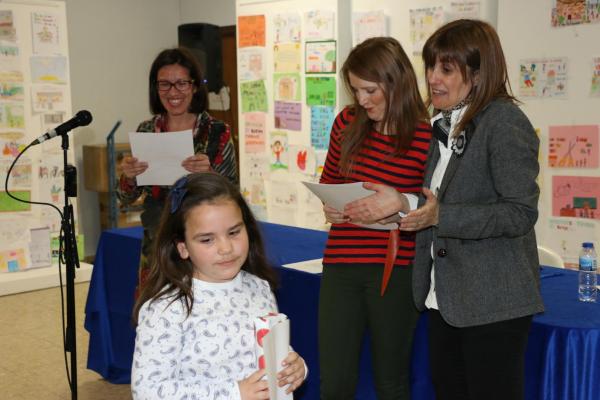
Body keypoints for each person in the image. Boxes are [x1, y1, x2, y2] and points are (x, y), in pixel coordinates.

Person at [347, 20, 544, 400]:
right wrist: (403, 204)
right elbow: (437, 199)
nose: (433, 78)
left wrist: (440, 216)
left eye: (446, 69)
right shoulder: (443, 124)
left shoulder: (503, 122)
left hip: (493, 304)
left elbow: (519, 213)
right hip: (445, 299)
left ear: (478, 73)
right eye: (431, 66)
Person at [318, 37, 432, 399]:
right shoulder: (347, 123)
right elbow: (330, 183)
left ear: (396, 81)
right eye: (355, 90)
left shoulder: (427, 134)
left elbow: (434, 206)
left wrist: (400, 204)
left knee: (391, 379)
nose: (362, 100)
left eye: (370, 89)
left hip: (396, 268)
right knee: (335, 379)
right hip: (341, 263)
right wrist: (332, 207)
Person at [131, 172, 306, 400]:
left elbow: (264, 351)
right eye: (207, 239)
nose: (226, 248)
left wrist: (294, 366)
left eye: (234, 232)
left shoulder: (259, 288)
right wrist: (234, 393)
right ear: (182, 247)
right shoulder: (166, 309)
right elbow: (147, 391)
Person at [118, 47, 238, 291]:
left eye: (181, 83)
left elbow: (233, 195)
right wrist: (128, 177)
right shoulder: (146, 130)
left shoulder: (217, 132)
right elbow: (126, 198)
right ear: (156, 88)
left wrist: (210, 175)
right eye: (165, 84)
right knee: (155, 311)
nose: (173, 92)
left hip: (206, 247)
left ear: (194, 86)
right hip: (156, 244)